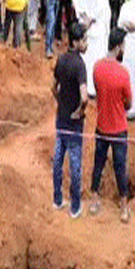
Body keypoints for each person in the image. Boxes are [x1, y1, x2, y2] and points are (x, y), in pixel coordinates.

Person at [90, 28, 133, 223]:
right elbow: (129, 103)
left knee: (98, 164)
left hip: (102, 125)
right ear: (118, 47)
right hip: (118, 128)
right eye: (123, 46)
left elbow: (98, 91)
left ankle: (94, 199)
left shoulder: (97, 67)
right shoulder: (123, 73)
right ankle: (124, 206)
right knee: (120, 166)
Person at [53, 22, 89, 219]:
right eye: (84, 39)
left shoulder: (62, 60)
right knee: (75, 163)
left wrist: (61, 104)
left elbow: (53, 87)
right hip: (74, 123)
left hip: (61, 118)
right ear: (76, 42)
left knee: (58, 157)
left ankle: (57, 198)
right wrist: (79, 111)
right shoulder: (80, 65)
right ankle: (75, 206)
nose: (86, 43)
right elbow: (84, 97)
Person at [73, 0, 111, 91]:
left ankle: (83, 86)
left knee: (85, 56)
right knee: (95, 58)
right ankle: (93, 88)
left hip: (83, 24)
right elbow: (101, 7)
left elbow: (75, 1)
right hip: (95, 26)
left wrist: (83, 17)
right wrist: (91, 18)